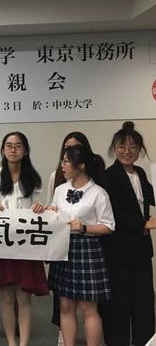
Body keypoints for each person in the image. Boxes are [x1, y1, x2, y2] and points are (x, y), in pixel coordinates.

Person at [0, 131, 48, 346]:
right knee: (6, 297)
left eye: (18, 146)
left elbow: (39, 206)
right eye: (9, 146)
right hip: (2, 242)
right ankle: (12, 341)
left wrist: (40, 207)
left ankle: (24, 343)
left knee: (24, 296)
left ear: (25, 150)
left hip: (26, 244)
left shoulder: (33, 178)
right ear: (2, 150)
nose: (13, 149)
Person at [47, 144, 114, 346]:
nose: (62, 166)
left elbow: (109, 226)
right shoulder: (60, 190)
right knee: (66, 305)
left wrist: (84, 228)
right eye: (63, 161)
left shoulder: (98, 193)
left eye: (67, 161)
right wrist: (48, 211)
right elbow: (54, 213)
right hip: (63, 247)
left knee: (88, 308)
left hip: (87, 248)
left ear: (81, 165)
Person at [100, 121, 156, 346]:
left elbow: (149, 200)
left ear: (140, 150)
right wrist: (144, 224)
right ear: (114, 149)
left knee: (144, 301)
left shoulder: (141, 173)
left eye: (133, 147)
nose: (127, 151)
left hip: (141, 248)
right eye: (122, 146)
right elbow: (115, 212)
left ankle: (145, 341)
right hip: (118, 249)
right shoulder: (109, 175)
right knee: (119, 303)